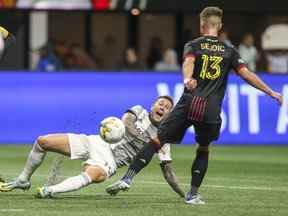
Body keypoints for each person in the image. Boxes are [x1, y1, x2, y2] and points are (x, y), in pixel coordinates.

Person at [106, 6, 283, 205]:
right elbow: (247, 75)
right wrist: (271, 92)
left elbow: (188, 63)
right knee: (203, 148)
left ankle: (127, 178)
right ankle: (192, 194)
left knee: (157, 141)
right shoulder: (230, 51)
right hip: (210, 109)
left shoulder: (194, 44)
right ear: (219, 26)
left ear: (202, 25)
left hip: (189, 103)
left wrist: (187, 79)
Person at [0, 96, 185, 198]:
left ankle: (50, 191)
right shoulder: (139, 111)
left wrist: (184, 195)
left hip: (110, 161)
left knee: (95, 175)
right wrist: (146, 139)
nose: (163, 107)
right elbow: (126, 122)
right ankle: (23, 179)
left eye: (167, 107)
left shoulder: (162, 139)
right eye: (161, 103)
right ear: (153, 105)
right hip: (95, 142)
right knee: (43, 141)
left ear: (169, 115)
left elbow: (168, 172)